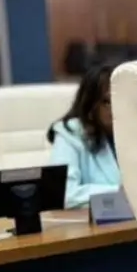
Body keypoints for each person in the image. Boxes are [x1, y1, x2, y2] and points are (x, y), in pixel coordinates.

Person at [47, 63, 121, 209]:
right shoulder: (70, 134)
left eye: (121, 99)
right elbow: (64, 194)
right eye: (107, 102)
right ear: (90, 106)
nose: (117, 107)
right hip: (92, 227)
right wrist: (121, 192)